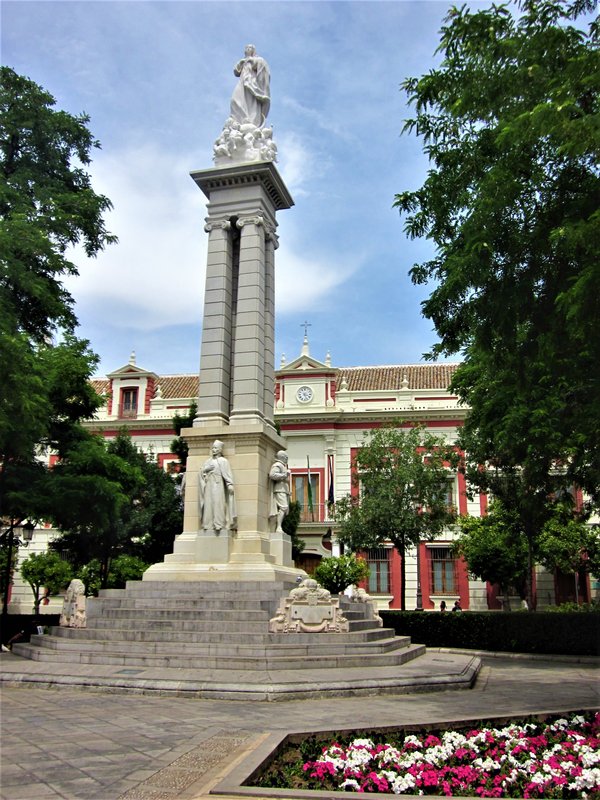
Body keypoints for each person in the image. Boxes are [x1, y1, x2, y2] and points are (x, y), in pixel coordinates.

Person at [198, 440, 237, 532]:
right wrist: (205, 469)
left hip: (218, 484)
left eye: (215, 448)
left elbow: (227, 474)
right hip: (208, 484)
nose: (213, 450)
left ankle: (219, 524)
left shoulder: (223, 461)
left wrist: (230, 484)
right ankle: (207, 524)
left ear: (220, 450)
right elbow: (201, 472)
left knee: (218, 503)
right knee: (208, 504)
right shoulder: (208, 461)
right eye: (213, 448)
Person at [230, 44, 270, 127]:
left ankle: (251, 122)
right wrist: (241, 62)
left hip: (252, 83)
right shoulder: (243, 61)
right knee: (235, 99)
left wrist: (253, 61)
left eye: (250, 48)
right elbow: (236, 71)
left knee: (252, 102)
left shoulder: (257, 59)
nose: (248, 49)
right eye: (247, 48)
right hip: (242, 81)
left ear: (253, 50)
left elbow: (262, 65)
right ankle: (238, 121)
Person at [269, 451, 290, 533]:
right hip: (279, 489)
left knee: (285, 508)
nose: (287, 459)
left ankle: (279, 526)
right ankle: (278, 527)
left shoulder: (282, 466)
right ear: (282, 457)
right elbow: (272, 475)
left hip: (284, 489)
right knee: (283, 507)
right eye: (286, 457)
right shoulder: (278, 465)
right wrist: (284, 475)